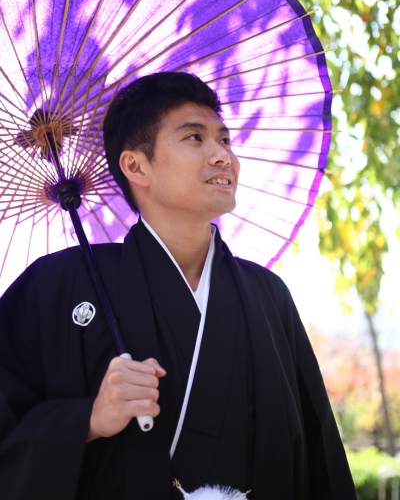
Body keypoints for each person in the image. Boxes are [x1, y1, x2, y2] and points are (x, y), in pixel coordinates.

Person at [0, 72, 356, 499]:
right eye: (194, 138)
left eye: (224, 140)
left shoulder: (268, 294)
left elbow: (319, 456)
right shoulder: (58, 284)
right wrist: (88, 419)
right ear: (135, 165)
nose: (223, 155)